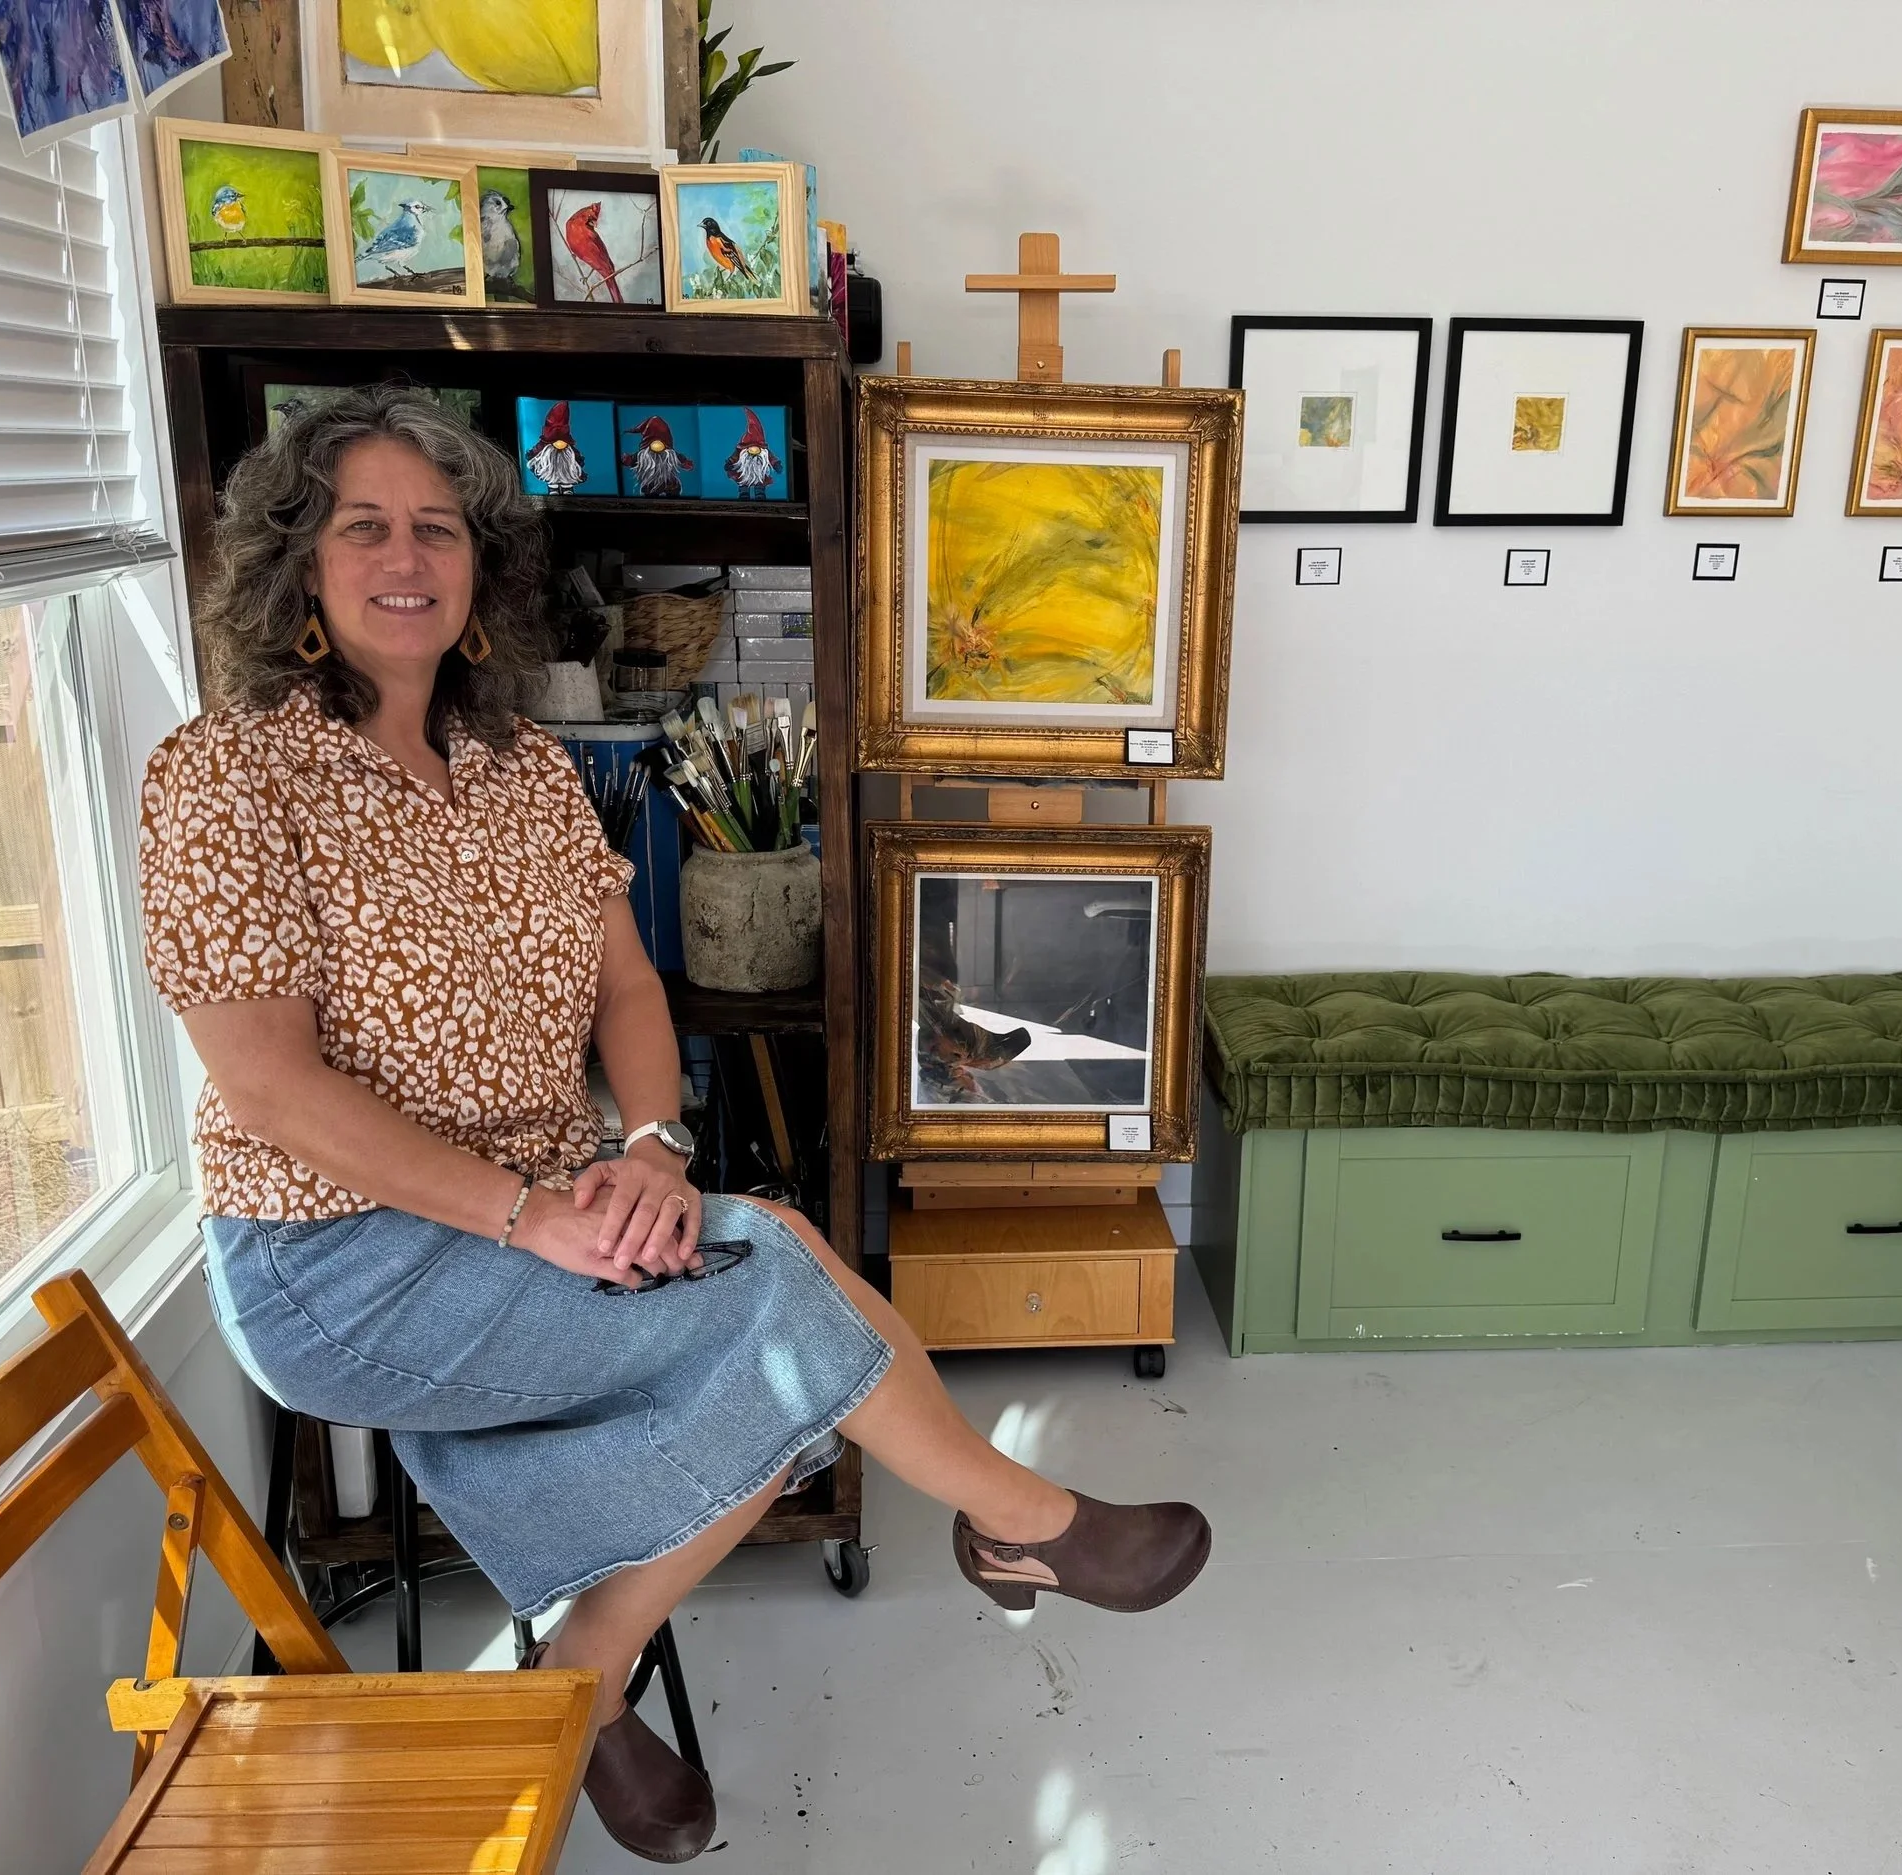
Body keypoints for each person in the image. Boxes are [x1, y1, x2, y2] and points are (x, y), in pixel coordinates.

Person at [136, 387, 1209, 1863]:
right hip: (333, 1261)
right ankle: (1014, 1522)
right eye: (363, 525)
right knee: (774, 1295)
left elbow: (631, 987)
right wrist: (530, 1212)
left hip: (547, 1199)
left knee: (775, 1295)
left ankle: (585, 1673)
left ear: (479, 568)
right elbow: (267, 1086)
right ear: (294, 562)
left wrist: (645, 1148)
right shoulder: (227, 773)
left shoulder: (520, 769)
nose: (407, 556)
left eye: (438, 528)